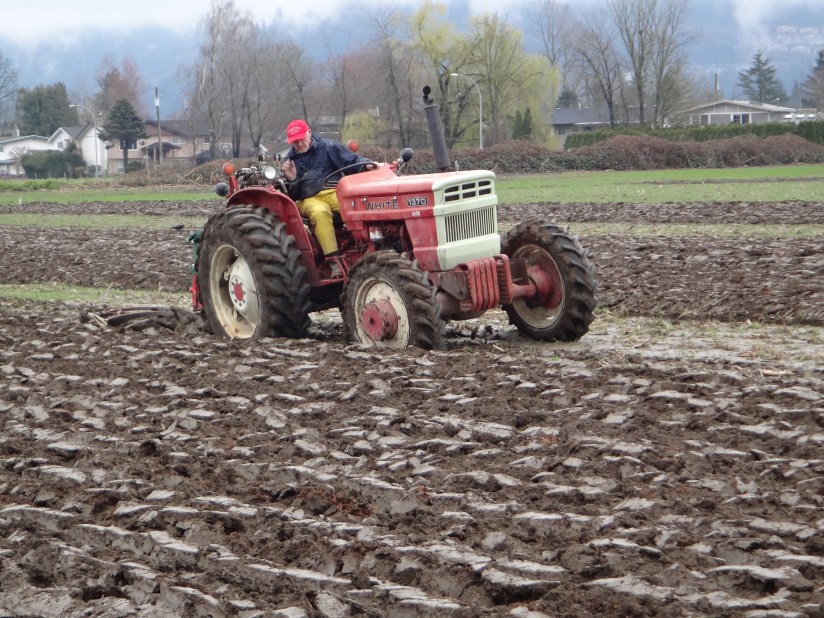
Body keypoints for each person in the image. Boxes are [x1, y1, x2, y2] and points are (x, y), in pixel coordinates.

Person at [281, 119, 373, 275]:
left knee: (354, 206)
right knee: (320, 212)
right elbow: (293, 196)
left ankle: (369, 246)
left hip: (333, 192)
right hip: (309, 199)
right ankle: (334, 262)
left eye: (301, 139)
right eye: (295, 142)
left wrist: (367, 164)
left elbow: (353, 160)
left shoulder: (328, 147)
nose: (299, 144)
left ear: (309, 132)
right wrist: (293, 179)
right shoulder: (290, 161)